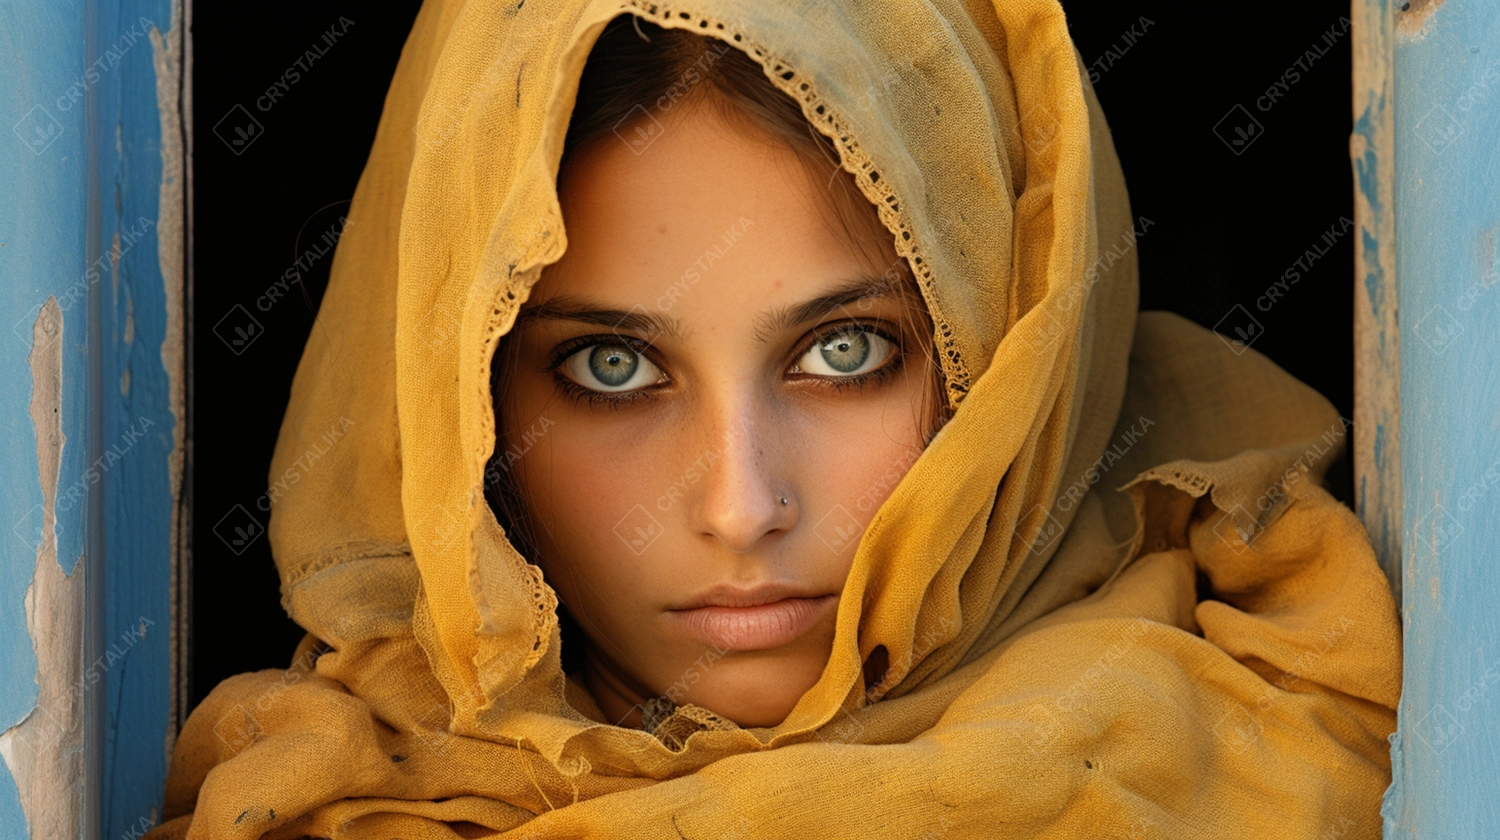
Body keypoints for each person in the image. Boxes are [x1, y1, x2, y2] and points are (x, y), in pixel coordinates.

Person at [149, 2, 1401, 837]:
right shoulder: (334, 803)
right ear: (462, 404)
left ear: (1021, 362)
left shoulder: (1299, 734)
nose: (742, 505)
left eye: (843, 352)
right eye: (609, 369)